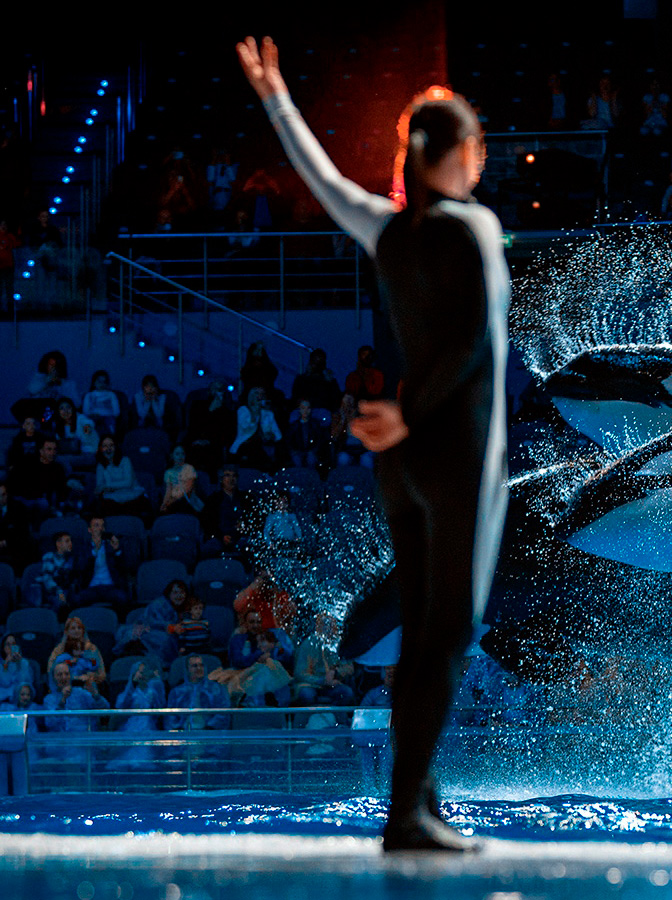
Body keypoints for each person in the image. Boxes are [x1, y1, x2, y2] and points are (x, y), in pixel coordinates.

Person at [240, 35, 509, 851]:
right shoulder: (474, 227)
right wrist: (412, 414)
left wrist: (277, 99)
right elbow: (470, 344)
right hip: (454, 452)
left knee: (423, 632)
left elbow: (323, 181)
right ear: (461, 154)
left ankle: (417, 800)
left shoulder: (387, 232)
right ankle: (410, 815)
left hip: (404, 465)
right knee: (447, 634)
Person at [166, 654, 230, 730]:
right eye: (195, 666)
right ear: (187, 669)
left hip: (210, 734)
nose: (199, 668)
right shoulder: (176, 692)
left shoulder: (216, 689)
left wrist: (209, 728)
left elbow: (223, 713)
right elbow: (170, 717)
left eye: (201, 665)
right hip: (183, 734)